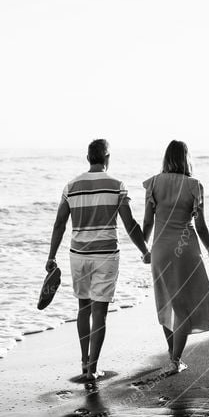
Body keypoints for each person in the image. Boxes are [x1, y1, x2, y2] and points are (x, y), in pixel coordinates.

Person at [46, 139, 151, 382]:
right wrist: (144, 251)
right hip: (105, 256)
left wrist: (51, 256)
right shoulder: (116, 185)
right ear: (107, 158)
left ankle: (84, 362)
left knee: (83, 308)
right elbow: (130, 223)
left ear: (88, 158)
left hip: (78, 256)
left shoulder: (71, 186)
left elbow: (59, 223)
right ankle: (93, 368)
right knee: (99, 313)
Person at [142, 140, 209, 376]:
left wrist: (144, 249)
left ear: (166, 158)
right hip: (186, 251)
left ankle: (172, 355)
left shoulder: (153, 183)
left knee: (165, 302)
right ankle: (175, 359)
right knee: (184, 306)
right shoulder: (194, 186)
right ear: (187, 159)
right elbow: (201, 225)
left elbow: (146, 223)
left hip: (161, 251)